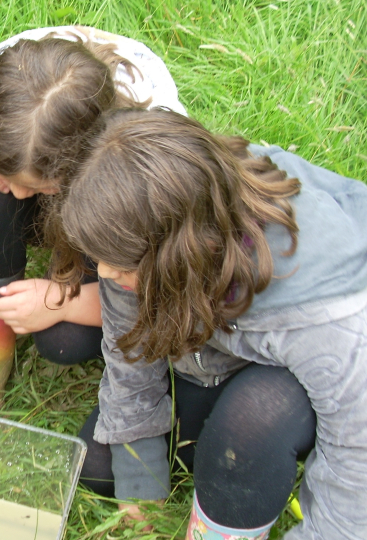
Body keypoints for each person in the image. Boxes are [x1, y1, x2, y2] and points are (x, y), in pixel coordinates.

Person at [54, 107, 367, 539]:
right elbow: (131, 345)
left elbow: (357, 456)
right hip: (229, 342)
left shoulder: (324, 308)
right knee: (102, 466)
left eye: (117, 262)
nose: (103, 272)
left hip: (333, 366)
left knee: (244, 437)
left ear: (178, 254)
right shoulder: (147, 218)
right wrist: (142, 481)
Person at [0, 26, 187, 411]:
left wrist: (64, 301)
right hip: (56, 167)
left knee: (64, 339)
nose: (17, 195)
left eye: (38, 187)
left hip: (107, 209)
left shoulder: (146, 151)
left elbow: (162, 285)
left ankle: (77, 254)